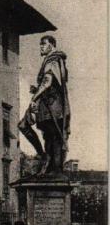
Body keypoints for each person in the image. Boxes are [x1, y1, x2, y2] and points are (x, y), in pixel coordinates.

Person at [18, 35, 70, 176]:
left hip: (51, 103)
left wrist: (34, 97)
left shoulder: (52, 59)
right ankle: (46, 160)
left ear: (52, 45)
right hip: (49, 102)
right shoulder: (55, 59)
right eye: (40, 44)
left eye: (43, 44)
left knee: (52, 134)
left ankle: (52, 165)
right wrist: (37, 90)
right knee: (50, 134)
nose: (41, 47)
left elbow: (47, 82)